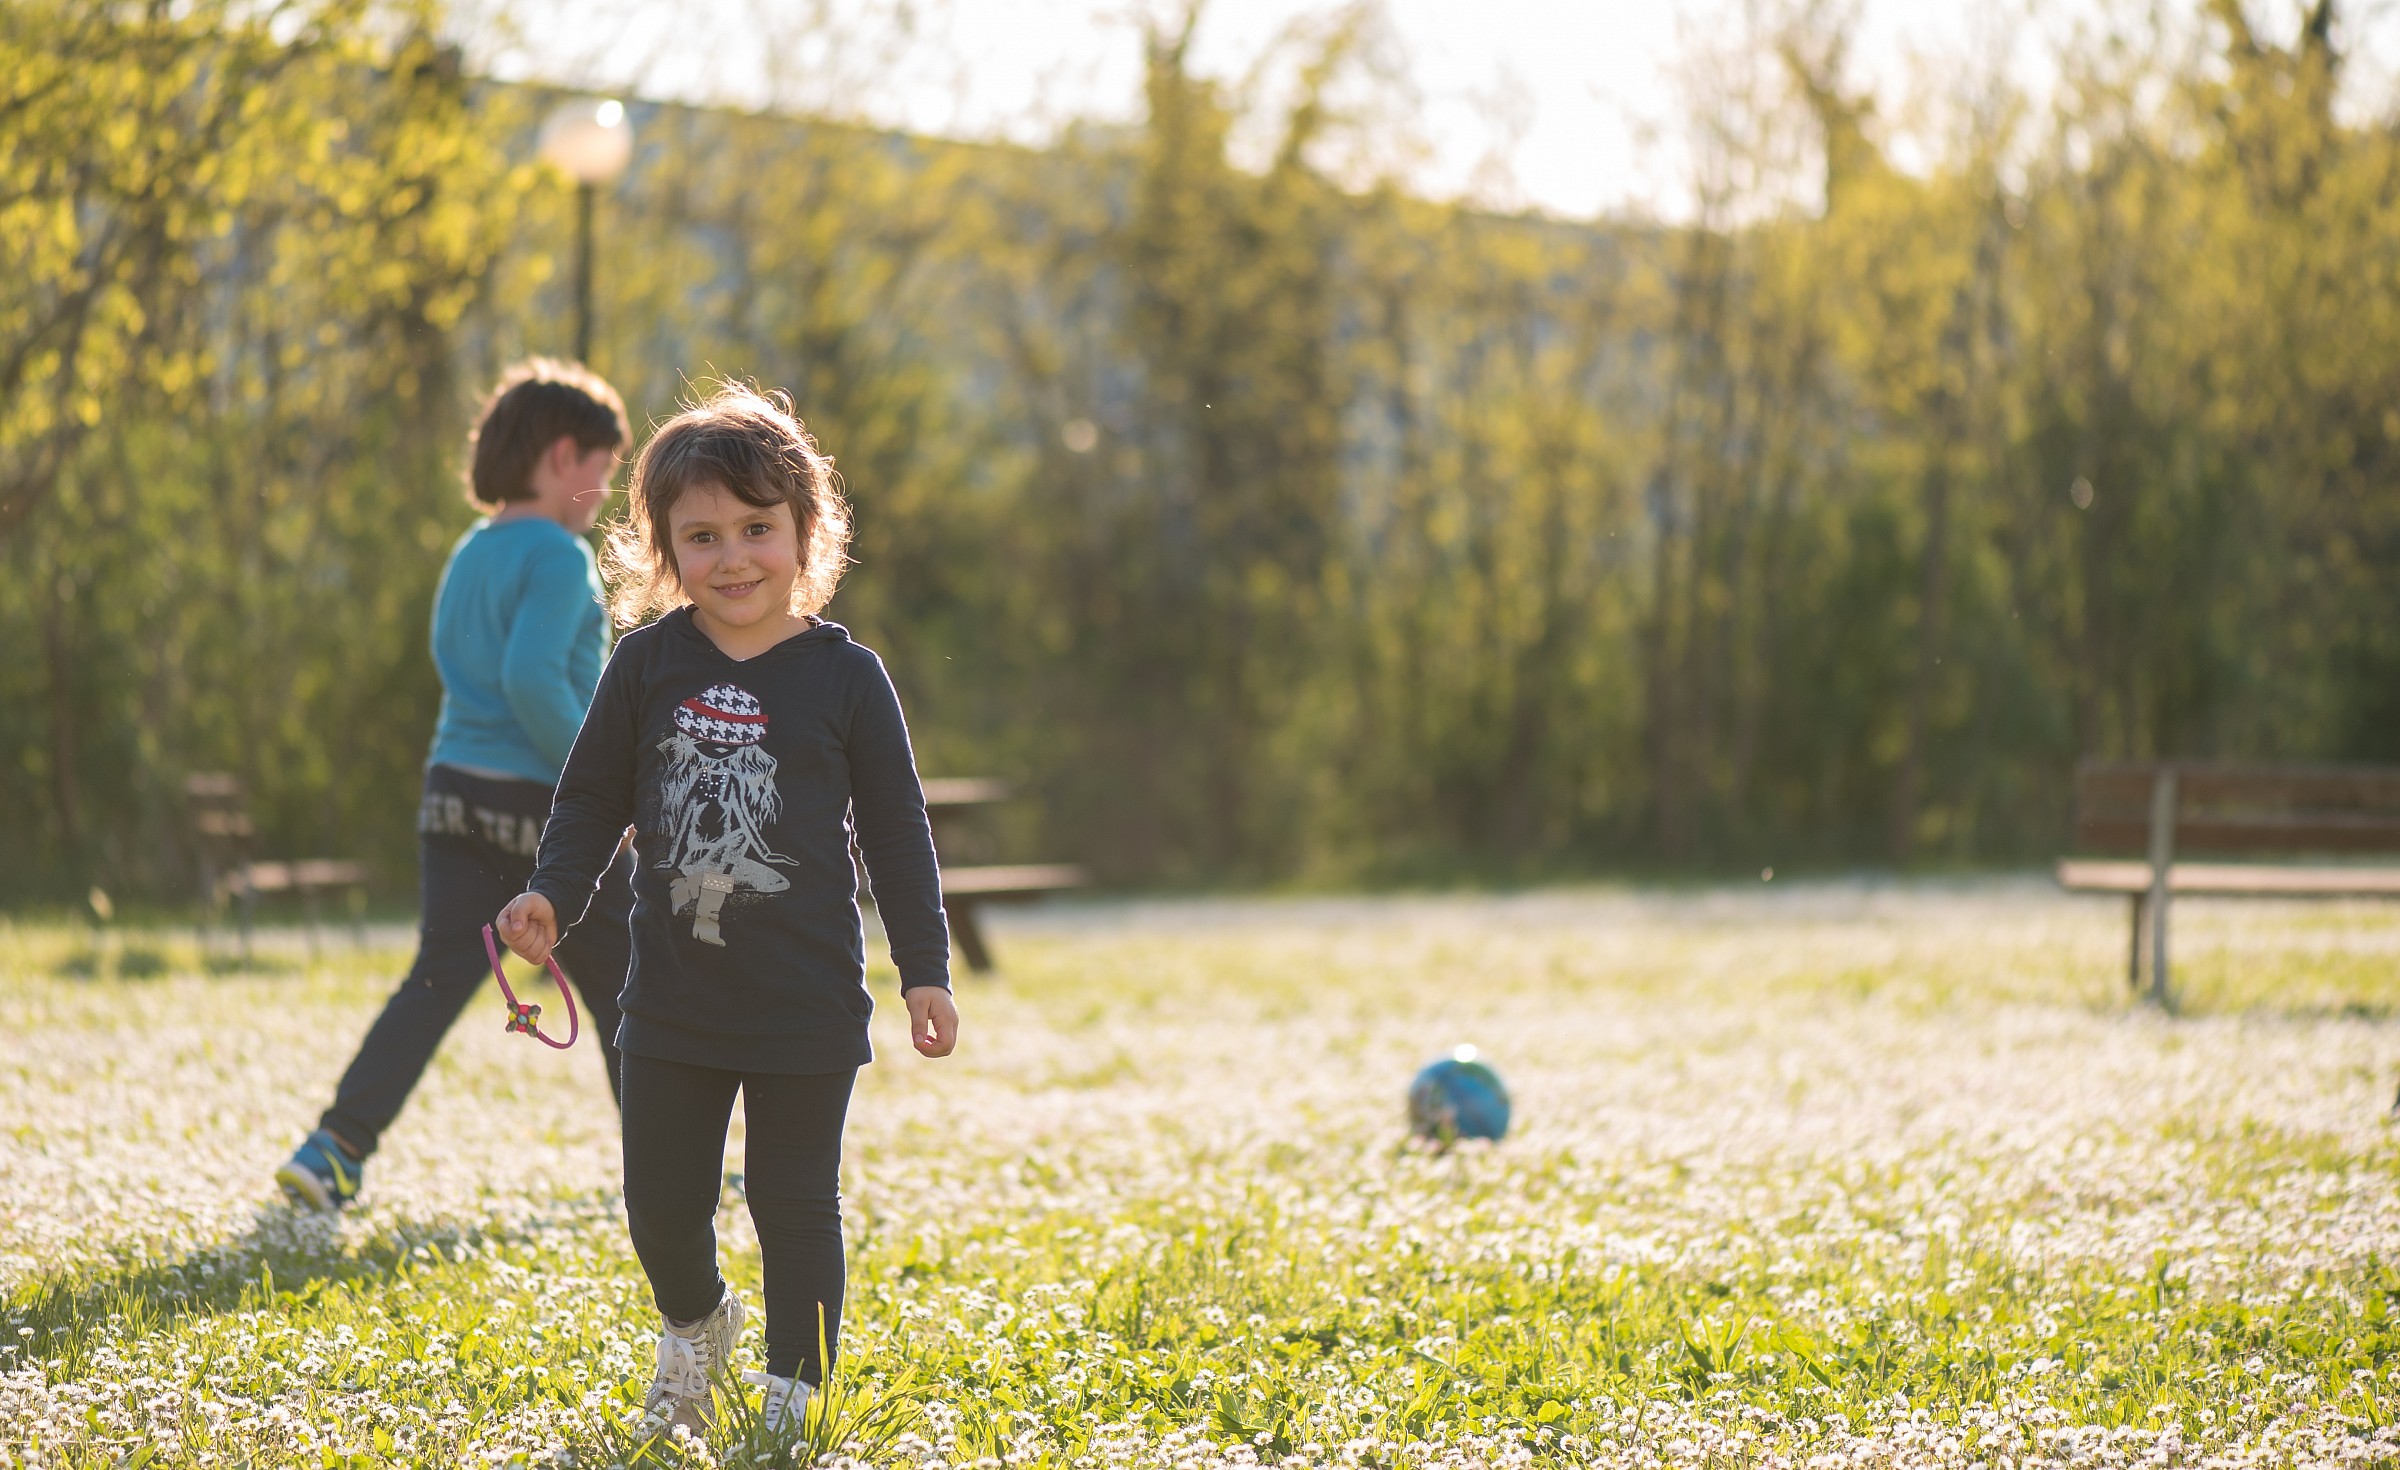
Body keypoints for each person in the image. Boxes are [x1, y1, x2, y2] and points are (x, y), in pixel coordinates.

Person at [495, 383, 959, 1439]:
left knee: (792, 1203)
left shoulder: (849, 680)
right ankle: (695, 1326)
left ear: (808, 532)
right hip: (671, 997)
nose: (734, 556)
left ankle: (795, 1399)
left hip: (805, 1001)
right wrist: (550, 896)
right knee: (661, 1204)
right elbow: (590, 799)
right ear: (662, 550)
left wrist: (922, 968)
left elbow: (897, 832)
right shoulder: (646, 663)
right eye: (701, 537)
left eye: (758, 529)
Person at [275, 359, 637, 1210]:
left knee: (435, 983)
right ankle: (671, 1163)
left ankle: (335, 1146)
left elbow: (467, 672)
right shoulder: (558, 556)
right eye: (603, 468)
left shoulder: (469, 554)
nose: (605, 488)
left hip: (453, 798)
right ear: (561, 456)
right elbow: (532, 682)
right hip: (549, 810)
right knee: (631, 988)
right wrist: (607, 788)